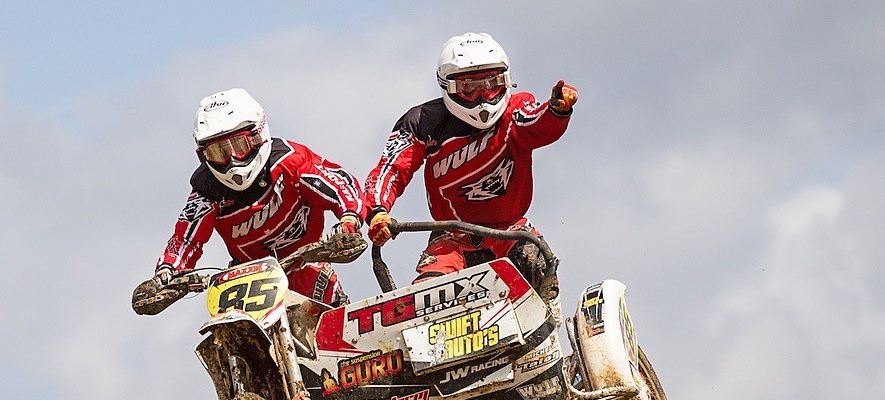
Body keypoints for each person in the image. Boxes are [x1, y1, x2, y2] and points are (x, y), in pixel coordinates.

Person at [363, 32, 577, 292]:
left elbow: (537, 123)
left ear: (506, 81)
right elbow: (391, 169)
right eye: (469, 88)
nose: (483, 97)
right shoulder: (422, 123)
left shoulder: (516, 110)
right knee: (428, 292)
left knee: (537, 265)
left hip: (510, 231)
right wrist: (377, 211)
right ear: (448, 87)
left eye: (492, 84)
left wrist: (556, 110)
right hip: (451, 236)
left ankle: (549, 325)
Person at [134, 88, 366, 313]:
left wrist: (349, 221)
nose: (231, 160)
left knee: (333, 320)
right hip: (246, 280)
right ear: (203, 156)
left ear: (258, 136)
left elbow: (340, 184)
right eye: (218, 152)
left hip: (308, 262)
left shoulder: (290, 162)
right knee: (225, 330)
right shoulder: (206, 191)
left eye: (239, 145)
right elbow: (184, 238)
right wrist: (166, 274)